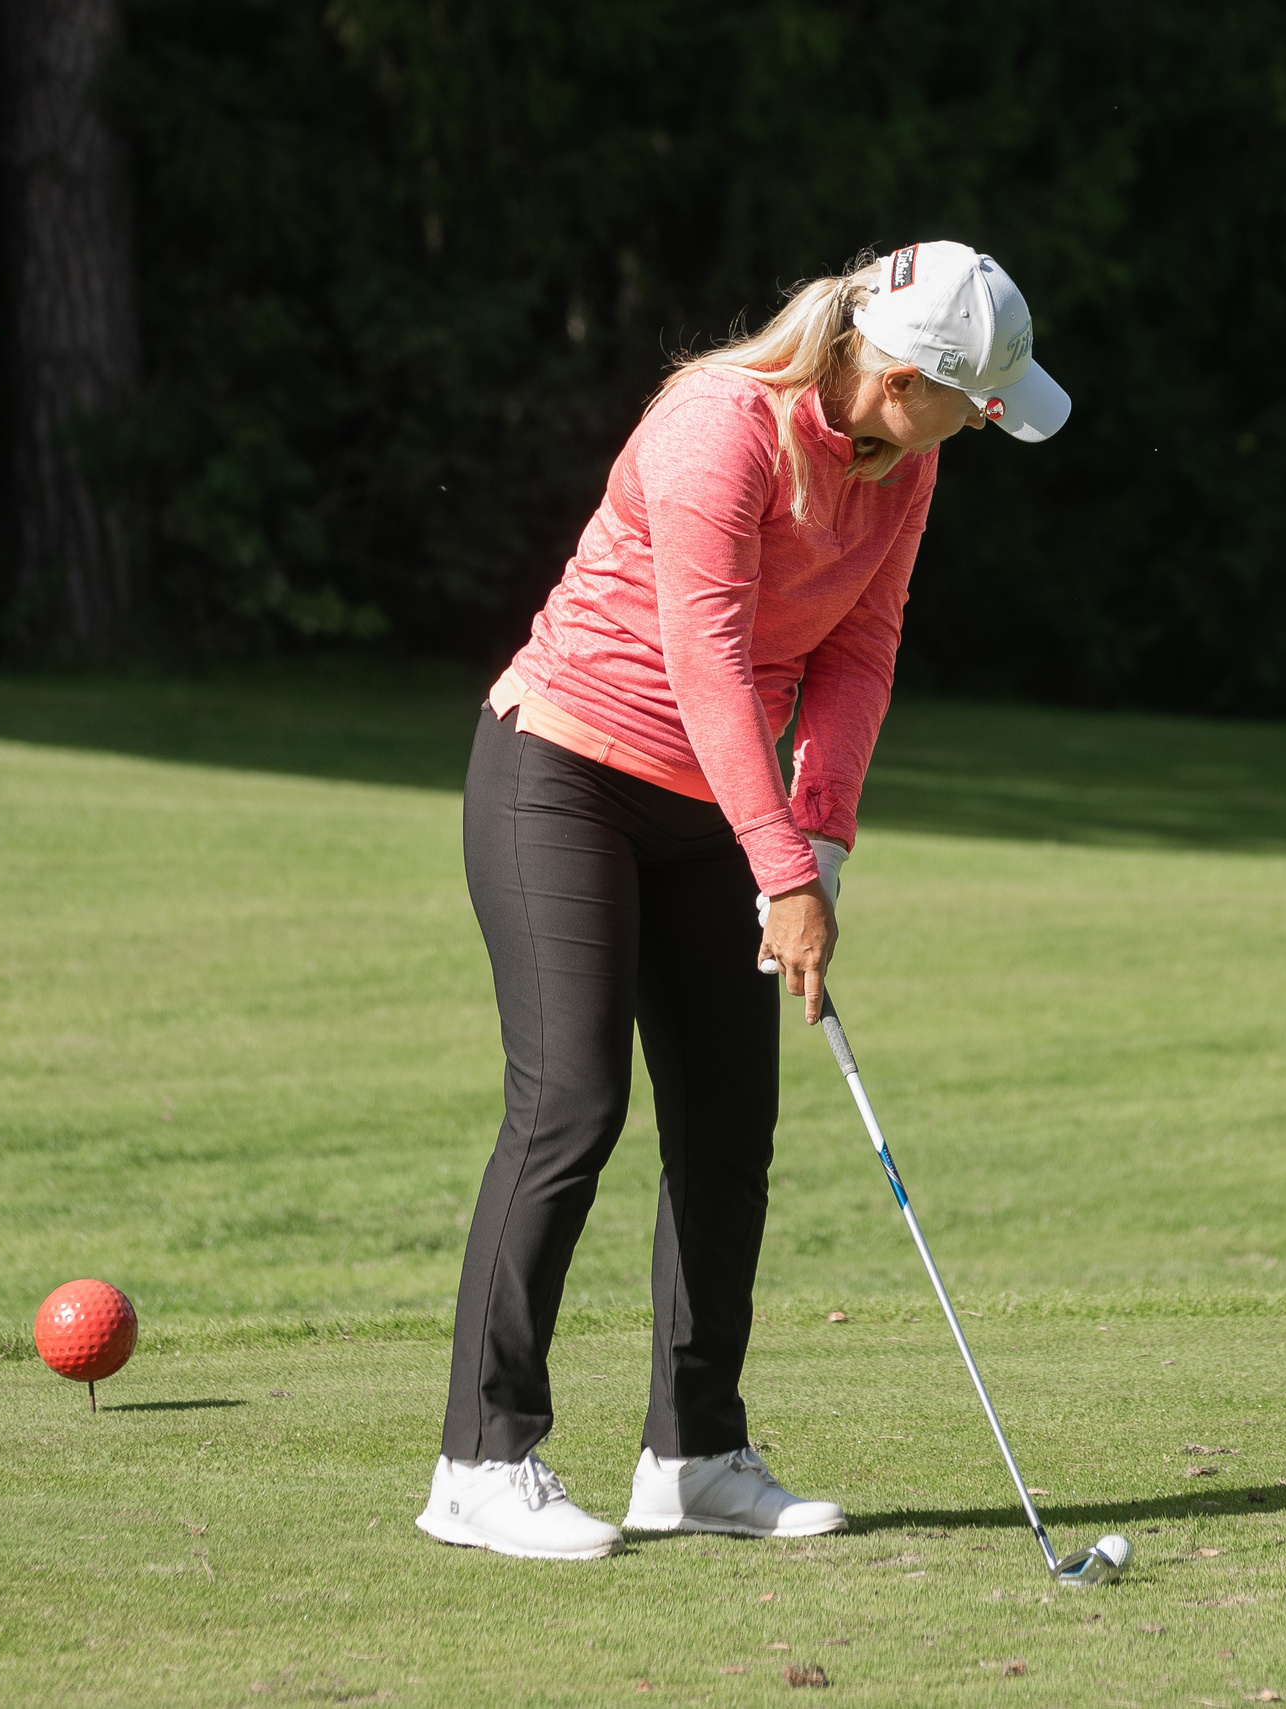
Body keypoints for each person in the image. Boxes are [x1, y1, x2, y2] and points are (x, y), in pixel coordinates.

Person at [415, 242, 1070, 1560]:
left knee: (727, 1123)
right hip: (564, 775)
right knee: (572, 1099)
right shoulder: (717, 426)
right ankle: (479, 1459)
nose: (980, 427)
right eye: (976, 401)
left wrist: (817, 847)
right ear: (903, 375)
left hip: (719, 808)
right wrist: (777, 866)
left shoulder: (905, 460)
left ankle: (694, 1451)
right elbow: (708, 665)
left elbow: (858, 650)